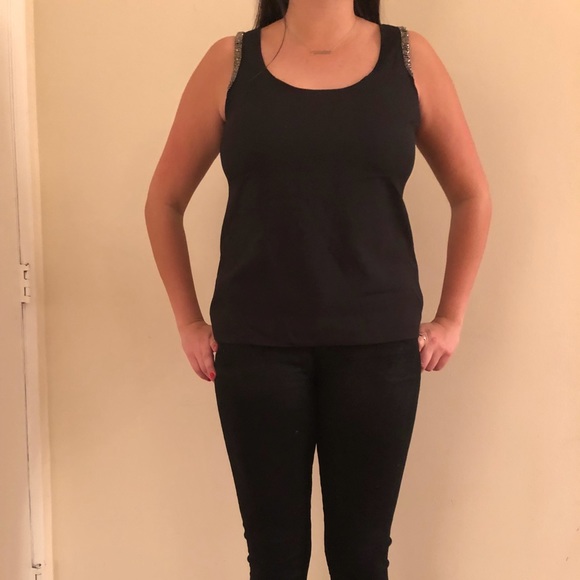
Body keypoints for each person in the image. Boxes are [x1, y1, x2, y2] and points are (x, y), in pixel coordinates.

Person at [144, 0, 492, 578]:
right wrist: (187, 321)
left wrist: (451, 317)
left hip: (377, 353)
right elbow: (164, 200)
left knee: (361, 559)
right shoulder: (230, 64)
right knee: (275, 561)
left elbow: (472, 194)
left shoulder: (409, 59)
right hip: (256, 353)